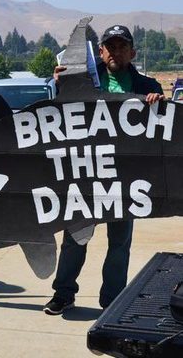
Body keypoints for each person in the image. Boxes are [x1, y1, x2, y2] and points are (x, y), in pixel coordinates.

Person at [43, 25, 165, 315]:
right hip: (86, 175)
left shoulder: (148, 87)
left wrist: (160, 106)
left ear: (132, 52)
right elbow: (56, 117)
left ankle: (112, 301)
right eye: (110, 46)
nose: (115, 51)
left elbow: (162, 131)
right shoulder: (81, 80)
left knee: (120, 243)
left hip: (125, 179)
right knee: (75, 238)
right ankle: (63, 294)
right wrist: (60, 86)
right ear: (100, 51)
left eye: (122, 46)